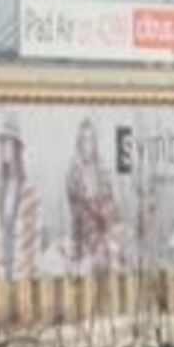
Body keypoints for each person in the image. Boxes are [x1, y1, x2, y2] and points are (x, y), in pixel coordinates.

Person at [0, 115, 43, 282]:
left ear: (17, 148)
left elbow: (35, 239)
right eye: (1, 143)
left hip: (22, 271)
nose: (2, 148)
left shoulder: (30, 191)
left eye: (7, 143)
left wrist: (32, 273)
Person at [65, 116, 121, 273]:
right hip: (84, 235)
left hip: (106, 231)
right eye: (83, 140)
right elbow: (78, 212)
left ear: (95, 143)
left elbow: (113, 203)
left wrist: (107, 214)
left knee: (114, 255)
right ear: (79, 143)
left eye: (90, 140)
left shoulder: (103, 170)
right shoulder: (73, 173)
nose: (87, 145)